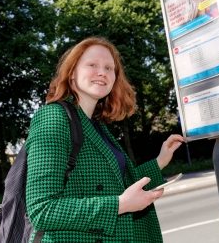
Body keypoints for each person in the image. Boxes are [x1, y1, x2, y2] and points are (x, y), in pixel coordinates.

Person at [25, 37, 184, 242]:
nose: (102, 72)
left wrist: (161, 160)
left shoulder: (97, 126)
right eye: (92, 64)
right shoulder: (54, 117)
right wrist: (120, 205)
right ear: (72, 73)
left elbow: (121, 185)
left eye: (109, 68)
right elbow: (42, 210)